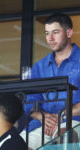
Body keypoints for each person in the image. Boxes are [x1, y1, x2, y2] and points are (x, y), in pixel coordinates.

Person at [20, 13, 80, 150]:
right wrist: (42, 116)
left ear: (69, 32)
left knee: (65, 137)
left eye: (55, 32)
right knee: (17, 145)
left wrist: (62, 115)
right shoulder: (39, 67)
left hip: (74, 121)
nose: (50, 38)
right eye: (47, 33)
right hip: (42, 124)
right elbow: (29, 101)